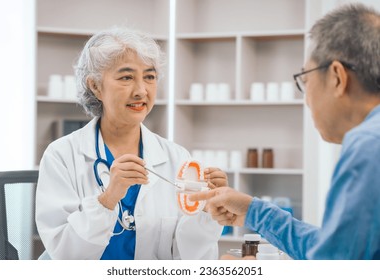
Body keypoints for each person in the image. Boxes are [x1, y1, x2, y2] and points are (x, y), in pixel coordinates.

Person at [190, 3, 380, 260]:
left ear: (337, 77)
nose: (306, 98)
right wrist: (254, 211)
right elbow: (339, 249)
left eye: (306, 79)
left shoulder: (368, 144)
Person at [35, 27, 226, 260]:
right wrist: (107, 200)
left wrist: (205, 212)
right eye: (126, 77)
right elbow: (65, 254)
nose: (141, 91)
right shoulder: (62, 155)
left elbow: (189, 259)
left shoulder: (178, 158)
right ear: (95, 86)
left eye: (150, 77)